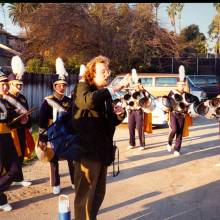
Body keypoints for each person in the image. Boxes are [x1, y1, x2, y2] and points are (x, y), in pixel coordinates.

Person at [71, 55, 128, 220]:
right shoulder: (82, 88)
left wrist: (119, 114)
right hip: (87, 153)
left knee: (98, 194)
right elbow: (87, 102)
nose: (107, 74)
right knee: (85, 197)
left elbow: (110, 121)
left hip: (102, 152)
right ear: (91, 73)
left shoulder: (104, 94)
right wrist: (113, 89)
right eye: (103, 71)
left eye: (108, 70)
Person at [38, 57, 75, 195]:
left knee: (72, 157)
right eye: (59, 85)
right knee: (53, 159)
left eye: (64, 85)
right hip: (53, 134)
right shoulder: (48, 101)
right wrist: (42, 137)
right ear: (54, 86)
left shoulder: (69, 101)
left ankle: (74, 181)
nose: (62, 87)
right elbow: (42, 121)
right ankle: (56, 183)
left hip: (68, 133)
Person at [4, 55, 34, 187]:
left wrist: (28, 123)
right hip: (10, 131)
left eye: (21, 84)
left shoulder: (22, 98)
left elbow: (26, 111)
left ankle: (19, 178)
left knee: (21, 152)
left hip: (22, 129)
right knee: (12, 156)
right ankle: (9, 179)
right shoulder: (5, 98)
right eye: (17, 84)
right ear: (10, 84)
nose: (20, 86)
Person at [0, 71, 20, 211]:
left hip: (7, 137)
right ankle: (1, 200)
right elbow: (3, 116)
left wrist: (20, 120)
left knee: (14, 170)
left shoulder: (5, 100)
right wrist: (14, 113)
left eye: (6, 84)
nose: (5, 87)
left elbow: (10, 123)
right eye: (2, 84)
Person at [166, 65, 192, 156]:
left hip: (182, 114)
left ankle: (177, 149)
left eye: (183, 85)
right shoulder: (172, 92)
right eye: (180, 85)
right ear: (177, 84)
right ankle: (169, 142)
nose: (182, 86)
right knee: (174, 129)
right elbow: (167, 102)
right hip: (173, 113)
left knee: (180, 132)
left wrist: (188, 108)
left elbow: (189, 104)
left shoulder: (186, 94)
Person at [127, 75, 146, 151]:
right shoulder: (131, 91)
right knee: (130, 127)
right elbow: (126, 99)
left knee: (140, 128)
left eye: (138, 84)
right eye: (135, 84)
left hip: (139, 111)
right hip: (131, 111)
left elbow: (146, 100)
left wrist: (142, 91)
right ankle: (132, 143)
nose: (136, 86)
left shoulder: (143, 92)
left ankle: (142, 144)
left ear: (140, 84)